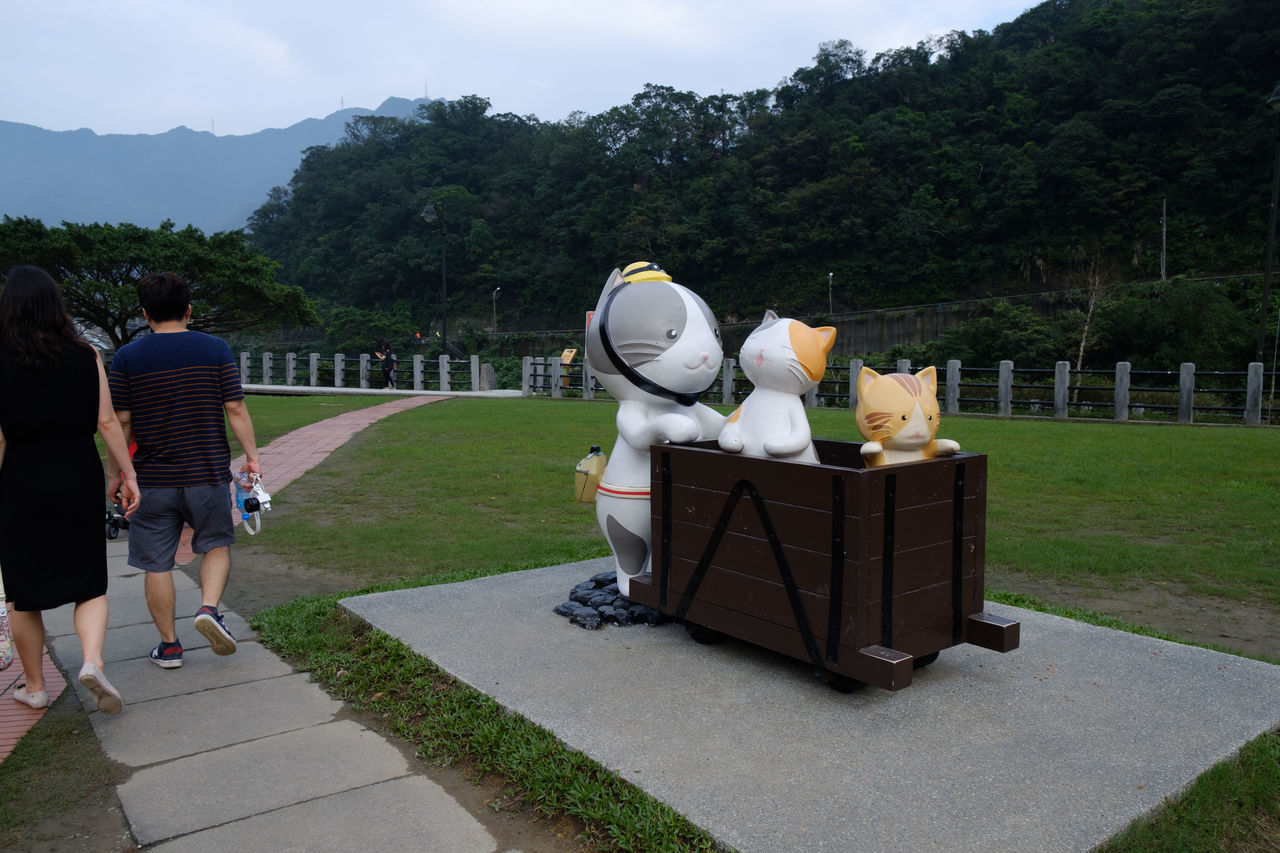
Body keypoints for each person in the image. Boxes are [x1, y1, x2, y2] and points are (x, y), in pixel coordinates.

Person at [0, 265, 140, 714]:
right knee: (89, 583)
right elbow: (105, 422)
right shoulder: (86, 354)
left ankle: (36, 686)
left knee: (23, 591)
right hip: (77, 473)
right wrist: (128, 474)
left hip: (20, 477)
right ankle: (93, 662)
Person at [107, 271, 260, 669]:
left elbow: (121, 422)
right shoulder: (214, 349)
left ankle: (170, 647)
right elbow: (236, 408)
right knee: (215, 544)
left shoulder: (127, 357)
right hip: (206, 472)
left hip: (152, 479)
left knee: (156, 562)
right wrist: (252, 457)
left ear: (145, 313)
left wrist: (119, 475)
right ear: (188, 310)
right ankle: (208, 609)